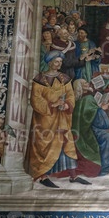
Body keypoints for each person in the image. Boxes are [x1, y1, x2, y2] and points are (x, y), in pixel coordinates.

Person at [24, 51, 89, 188]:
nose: (59, 64)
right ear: (49, 63)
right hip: (45, 120)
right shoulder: (39, 79)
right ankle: (42, 175)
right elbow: (35, 99)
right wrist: (52, 105)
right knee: (43, 147)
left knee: (66, 143)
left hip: (61, 118)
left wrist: (67, 104)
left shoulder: (64, 78)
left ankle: (73, 175)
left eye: (60, 62)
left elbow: (70, 94)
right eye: (56, 61)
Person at [72, 79, 109, 177]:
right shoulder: (88, 98)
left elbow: (87, 113)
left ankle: (108, 164)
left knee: (107, 136)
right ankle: (107, 166)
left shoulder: (79, 97)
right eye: (84, 83)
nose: (87, 83)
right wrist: (101, 109)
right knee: (108, 137)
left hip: (80, 128)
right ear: (80, 87)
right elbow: (99, 122)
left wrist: (97, 108)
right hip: (87, 130)